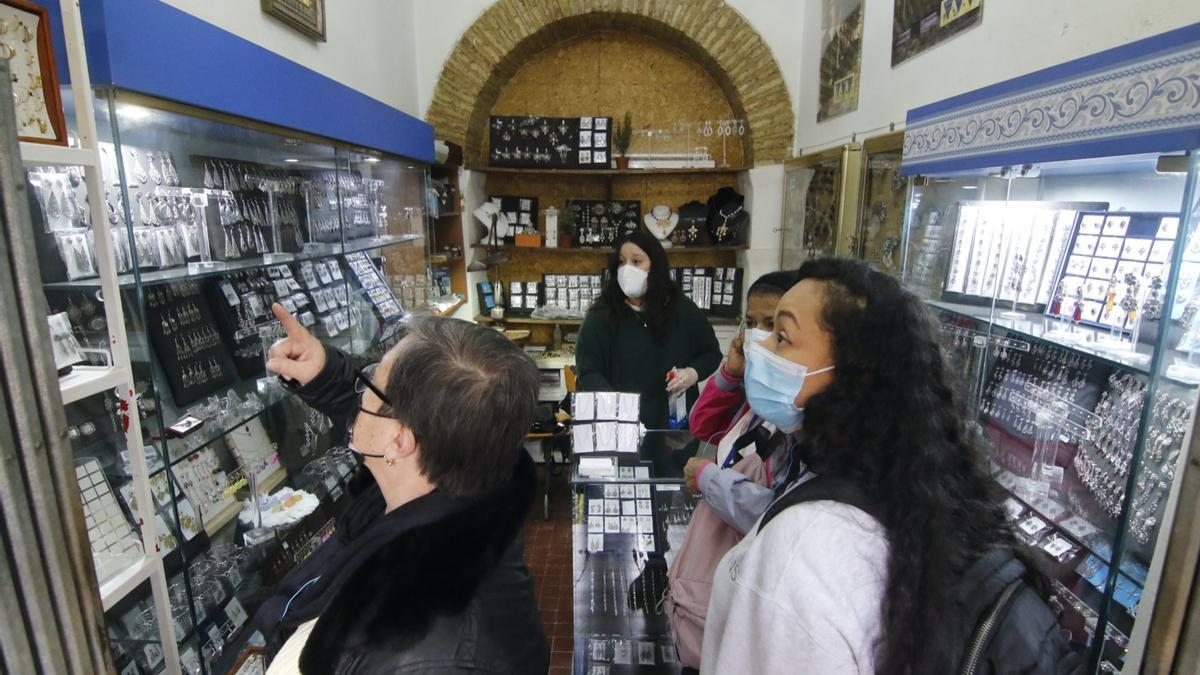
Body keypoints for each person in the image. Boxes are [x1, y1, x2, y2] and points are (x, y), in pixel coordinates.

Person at [702, 258, 1072, 674]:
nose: (758, 347)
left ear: (851, 373)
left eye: (782, 337)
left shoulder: (804, 548)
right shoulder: (912, 489)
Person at [256, 305, 549, 674]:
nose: (358, 397)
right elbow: (404, 415)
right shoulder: (466, 479)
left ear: (400, 443)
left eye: (369, 386)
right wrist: (325, 372)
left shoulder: (422, 654)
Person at [683, 270, 799, 533]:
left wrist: (708, 478)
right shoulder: (756, 390)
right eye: (751, 323)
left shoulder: (795, 412)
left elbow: (779, 514)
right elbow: (702, 426)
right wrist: (729, 375)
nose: (758, 335)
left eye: (771, 326)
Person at [575, 230, 722, 430]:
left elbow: (711, 353)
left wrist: (692, 373)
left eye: (636, 262)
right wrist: (613, 409)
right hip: (620, 425)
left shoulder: (680, 308)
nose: (627, 270)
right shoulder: (601, 314)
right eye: (621, 262)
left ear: (655, 266)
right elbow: (589, 370)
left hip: (672, 427)